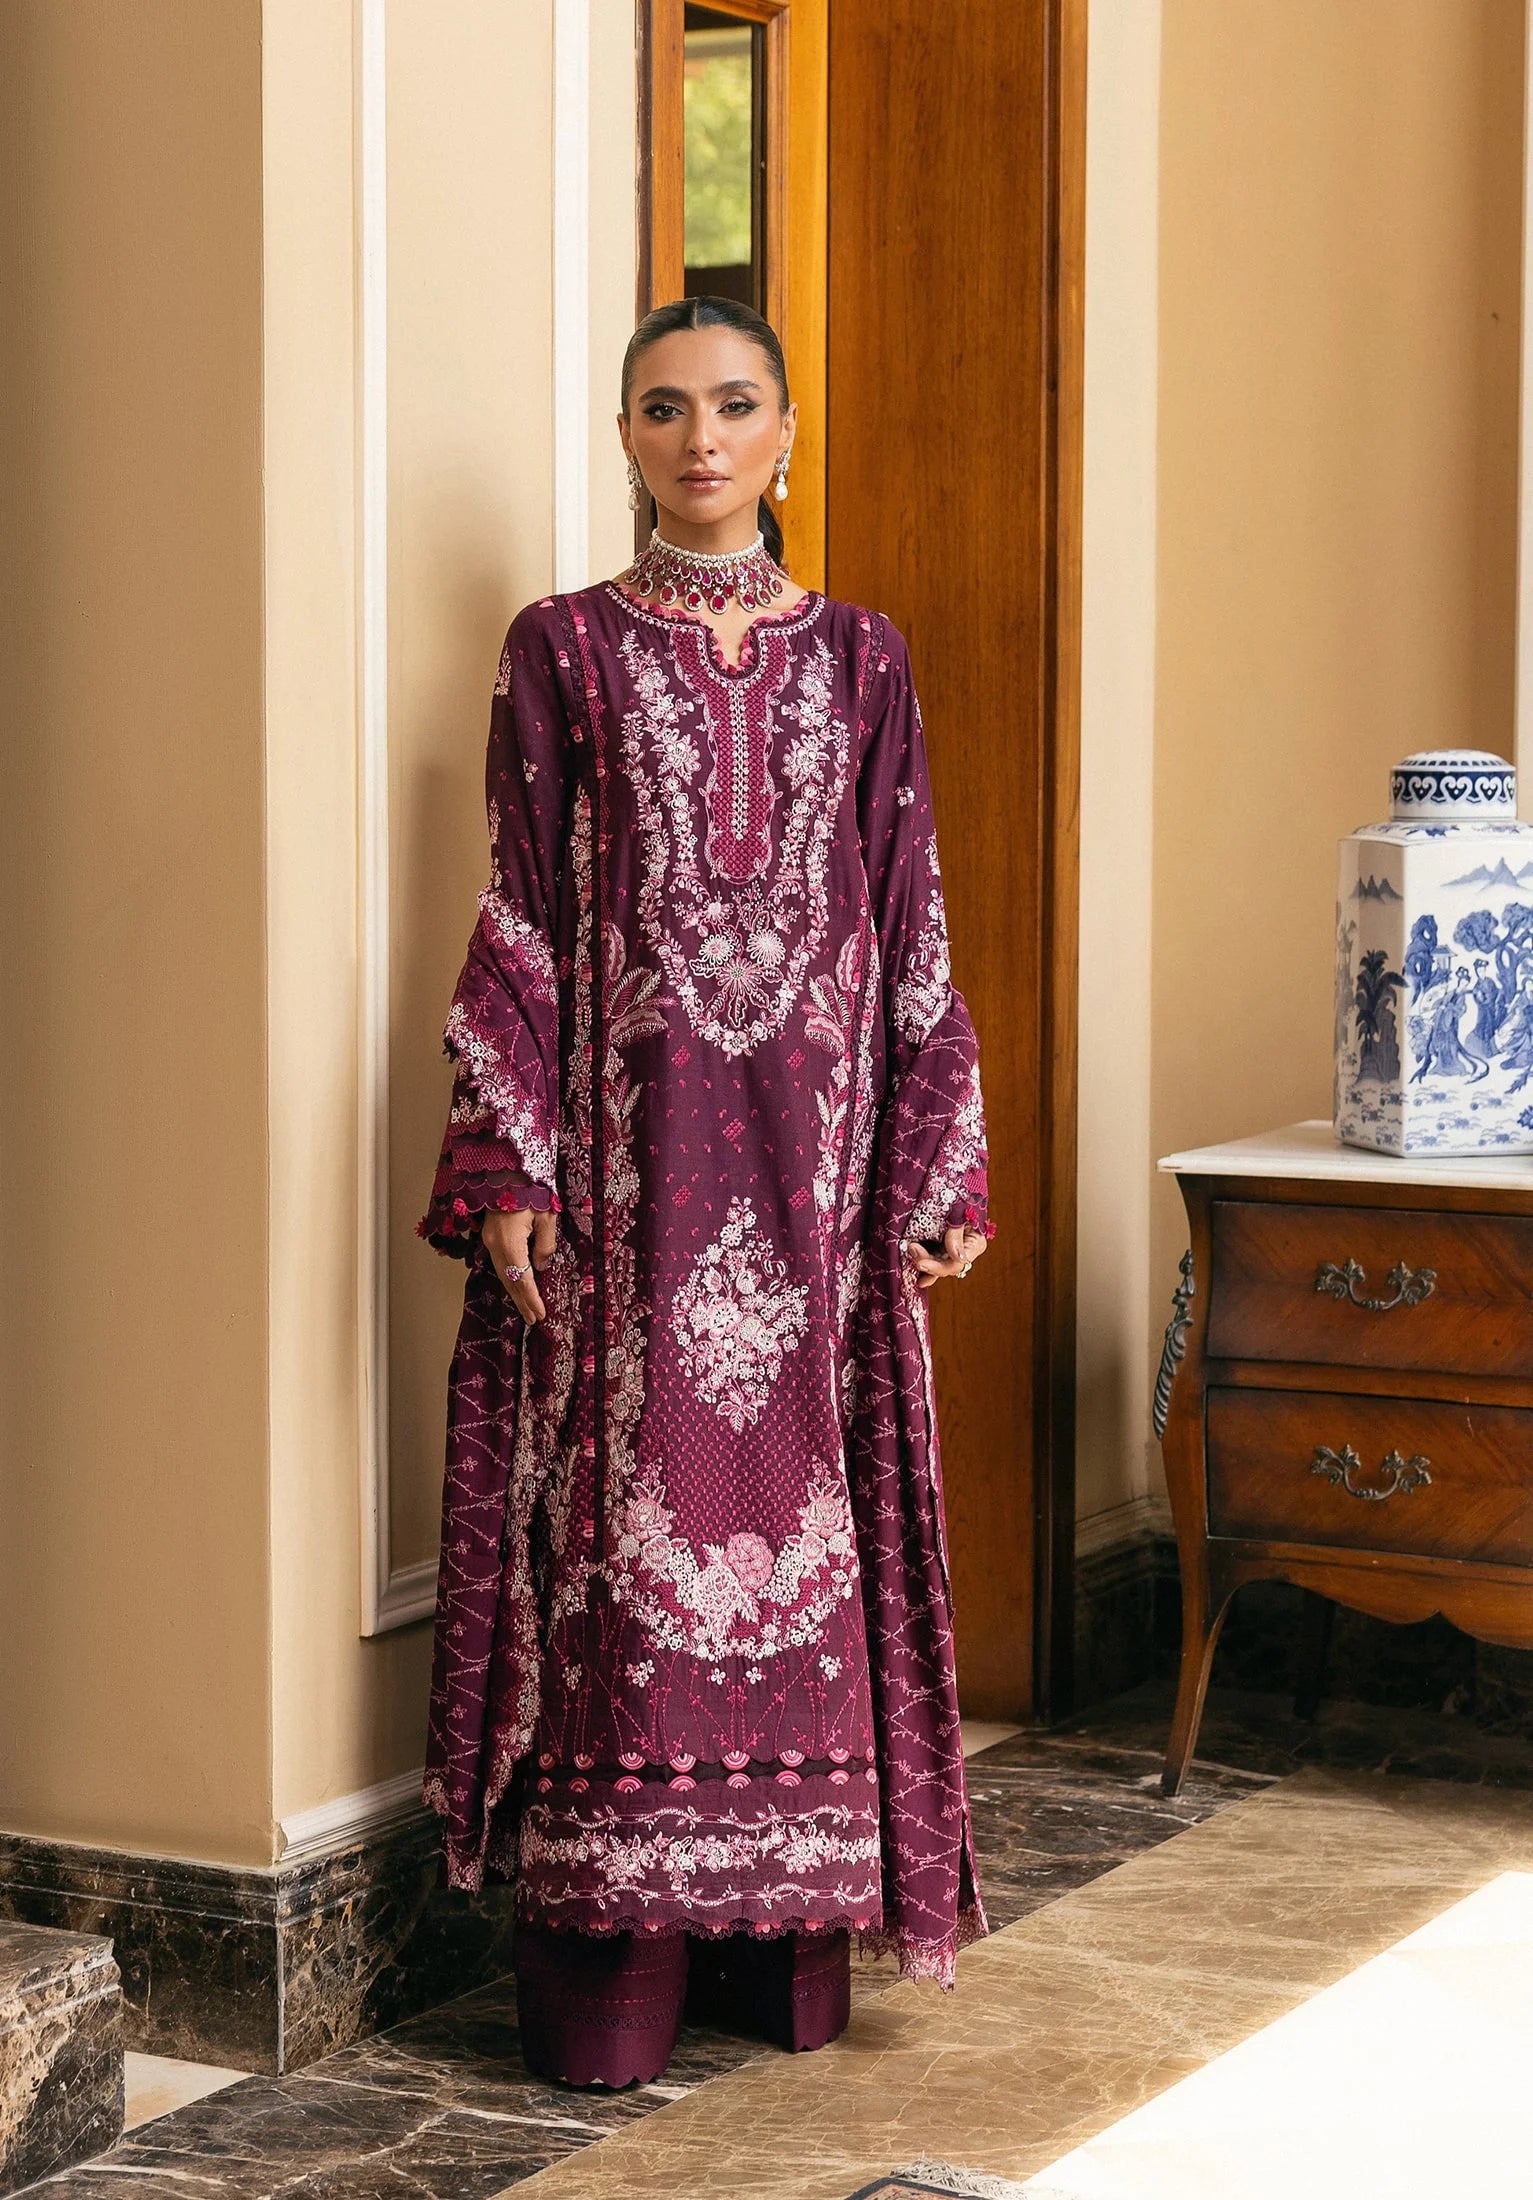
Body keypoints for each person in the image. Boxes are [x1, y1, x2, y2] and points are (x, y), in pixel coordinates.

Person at [418, 295, 993, 2089]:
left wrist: (934, 1147)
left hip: (812, 1203)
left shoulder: (863, 660)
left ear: (789, 431)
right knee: (622, 1558)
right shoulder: (562, 652)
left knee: (803, 1548)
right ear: (624, 439)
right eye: (662, 409)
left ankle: (783, 1972)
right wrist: (508, 1149)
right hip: (631, 1185)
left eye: (734, 404)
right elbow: (521, 910)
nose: (701, 438)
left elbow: (906, 909)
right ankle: (613, 1993)